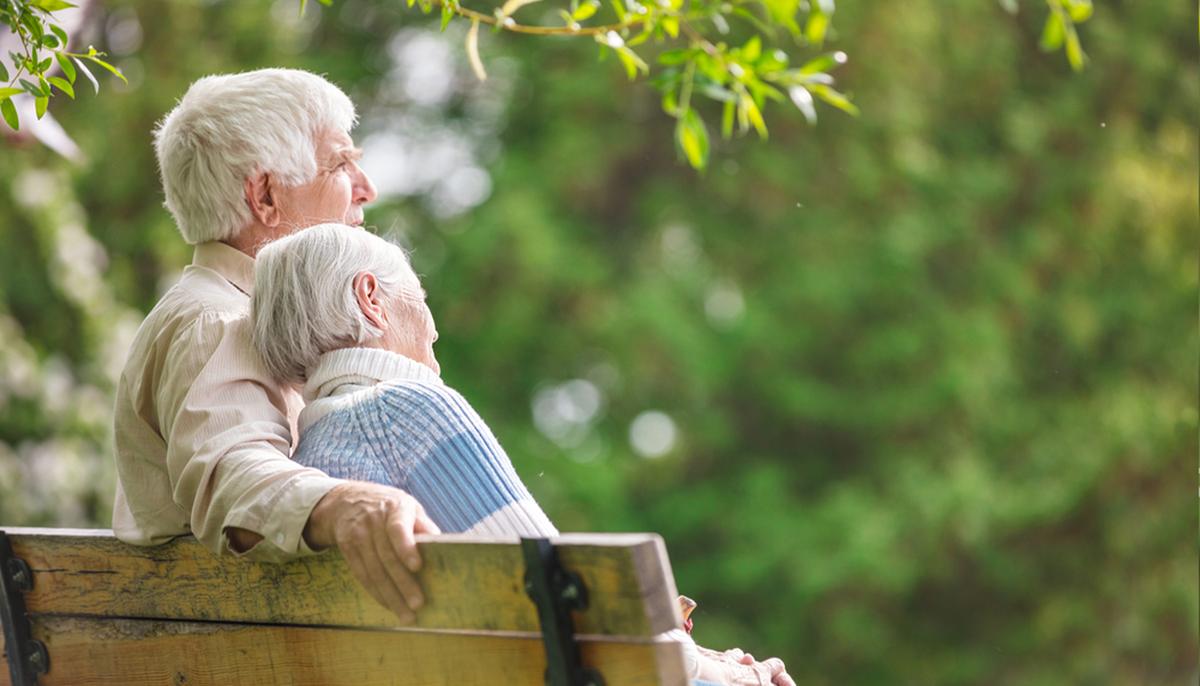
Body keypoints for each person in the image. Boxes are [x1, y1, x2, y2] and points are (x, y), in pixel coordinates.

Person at [250, 223, 796, 686]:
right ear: (371, 299)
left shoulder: (308, 455)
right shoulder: (406, 410)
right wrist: (736, 677)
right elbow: (576, 613)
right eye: (419, 296)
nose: (434, 325)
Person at [111, 69, 435, 624]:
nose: (367, 187)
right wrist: (345, 504)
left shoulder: (249, 315)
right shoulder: (219, 320)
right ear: (264, 195)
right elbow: (230, 471)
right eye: (340, 164)